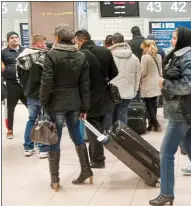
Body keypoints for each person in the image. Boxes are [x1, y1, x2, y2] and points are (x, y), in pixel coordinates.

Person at [149, 27, 191, 206]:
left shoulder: (189, 58)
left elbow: (188, 85)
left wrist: (165, 84)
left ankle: (166, 193)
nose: (171, 40)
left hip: (182, 112)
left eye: (174, 37)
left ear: (184, 40)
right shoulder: (181, 56)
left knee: (166, 153)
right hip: (182, 109)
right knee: (189, 145)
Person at [39, 23, 92, 191]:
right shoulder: (81, 56)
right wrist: (85, 107)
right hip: (75, 101)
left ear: (58, 37)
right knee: (76, 134)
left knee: (55, 138)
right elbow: (85, 85)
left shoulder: (52, 55)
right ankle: (87, 170)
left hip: (57, 102)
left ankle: (55, 179)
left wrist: (43, 101)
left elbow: (46, 82)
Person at [74, 29, 118, 169]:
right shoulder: (105, 51)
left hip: (89, 96)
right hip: (104, 95)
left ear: (81, 40)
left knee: (93, 128)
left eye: (76, 42)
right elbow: (114, 72)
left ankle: (98, 159)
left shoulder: (81, 54)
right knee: (98, 125)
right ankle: (95, 156)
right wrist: (102, 82)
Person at [16, 34, 49, 158]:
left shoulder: (21, 57)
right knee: (43, 120)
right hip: (42, 94)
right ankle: (43, 149)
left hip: (29, 93)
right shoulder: (43, 57)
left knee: (31, 119)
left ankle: (28, 147)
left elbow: (17, 77)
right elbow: (47, 77)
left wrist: (26, 88)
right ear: (39, 44)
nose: (45, 46)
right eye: (44, 43)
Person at [109, 32, 141, 124]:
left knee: (111, 115)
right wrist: (135, 90)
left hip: (112, 91)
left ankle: (111, 135)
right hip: (128, 90)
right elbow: (137, 76)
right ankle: (122, 135)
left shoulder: (109, 56)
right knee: (123, 112)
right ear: (124, 41)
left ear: (113, 42)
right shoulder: (134, 58)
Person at [1, 31, 27, 139]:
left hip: (25, 84)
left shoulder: (25, 50)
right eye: (12, 37)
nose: (15, 39)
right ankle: (10, 130)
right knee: (10, 108)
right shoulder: (3, 52)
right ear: (8, 40)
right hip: (11, 84)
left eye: (16, 37)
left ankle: (36, 128)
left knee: (32, 107)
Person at [140, 40, 162, 132]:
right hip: (156, 82)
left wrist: (138, 73)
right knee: (153, 103)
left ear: (146, 47)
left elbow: (143, 72)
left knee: (148, 104)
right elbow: (160, 69)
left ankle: (155, 122)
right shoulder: (158, 56)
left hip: (148, 83)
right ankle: (151, 124)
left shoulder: (145, 57)